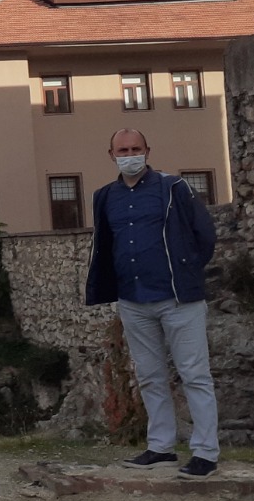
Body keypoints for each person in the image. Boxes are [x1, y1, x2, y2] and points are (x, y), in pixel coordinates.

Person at [86, 129, 220, 478]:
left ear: (148, 151)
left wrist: (187, 270)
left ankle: (205, 452)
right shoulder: (105, 197)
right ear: (111, 154)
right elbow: (105, 243)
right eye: (122, 149)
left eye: (136, 148)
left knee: (195, 375)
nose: (130, 154)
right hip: (133, 299)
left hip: (177, 298)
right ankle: (160, 447)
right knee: (149, 376)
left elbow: (204, 234)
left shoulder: (173, 188)